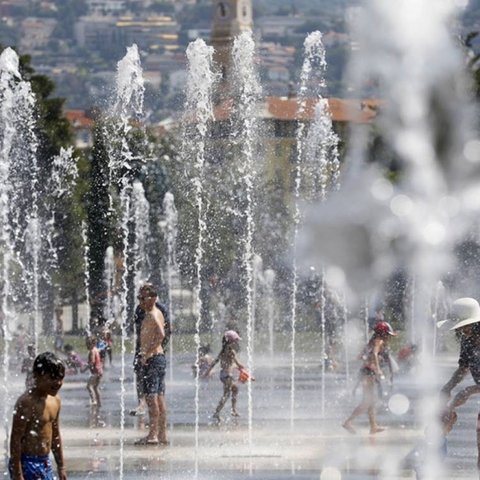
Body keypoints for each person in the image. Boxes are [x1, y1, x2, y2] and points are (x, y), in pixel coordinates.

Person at [9, 351, 67, 480]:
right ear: (37, 376)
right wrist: (18, 473)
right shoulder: (26, 403)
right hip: (26, 462)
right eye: (52, 377)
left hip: (45, 462)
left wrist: (61, 466)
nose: (58, 382)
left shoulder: (55, 401)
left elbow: (56, 436)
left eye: (60, 377)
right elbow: (16, 440)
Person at [438, 297, 480, 469]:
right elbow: (463, 368)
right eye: (460, 328)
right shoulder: (467, 340)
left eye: (464, 327)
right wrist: (448, 387)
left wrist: (470, 390)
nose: (462, 331)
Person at [342, 320, 397, 435]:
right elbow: (375, 354)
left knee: (370, 401)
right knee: (367, 401)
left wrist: (368, 361)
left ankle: (373, 427)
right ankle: (348, 422)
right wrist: (377, 368)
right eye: (388, 335)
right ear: (383, 333)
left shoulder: (372, 342)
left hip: (366, 372)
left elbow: (360, 356)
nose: (389, 338)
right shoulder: (379, 341)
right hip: (369, 374)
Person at [129, 283, 170, 418]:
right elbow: (138, 327)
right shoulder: (140, 309)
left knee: (156, 391)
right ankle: (141, 402)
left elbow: (165, 331)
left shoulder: (159, 309)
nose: (140, 300)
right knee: (139, 373)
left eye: (142, 296)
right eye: (139, 296)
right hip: (142, 347)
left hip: (153, 351)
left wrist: (155, 348)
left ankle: (154, 434)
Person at [206, 330, 246, 422]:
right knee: (226, 395)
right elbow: (236, 363)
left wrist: (208, 371)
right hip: (227, 375)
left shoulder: (223, 350)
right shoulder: (230, 350)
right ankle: (217, 413)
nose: (237, 342)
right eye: (236, 340)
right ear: (231, 340)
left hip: (224, 374)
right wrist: (241, 367)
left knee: (235, 389)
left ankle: (233, 410)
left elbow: (216, 361)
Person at [84, 336, 103, 427]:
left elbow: (91, 362)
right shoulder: (96, 349)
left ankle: (94, 401)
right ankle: (99, 402)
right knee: (95, 387)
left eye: (87, 344)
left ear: (92, 344)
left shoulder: (92, 351)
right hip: (100, 371)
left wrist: (84, 368)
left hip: (95, 372)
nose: (86, 345)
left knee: (89, 386)